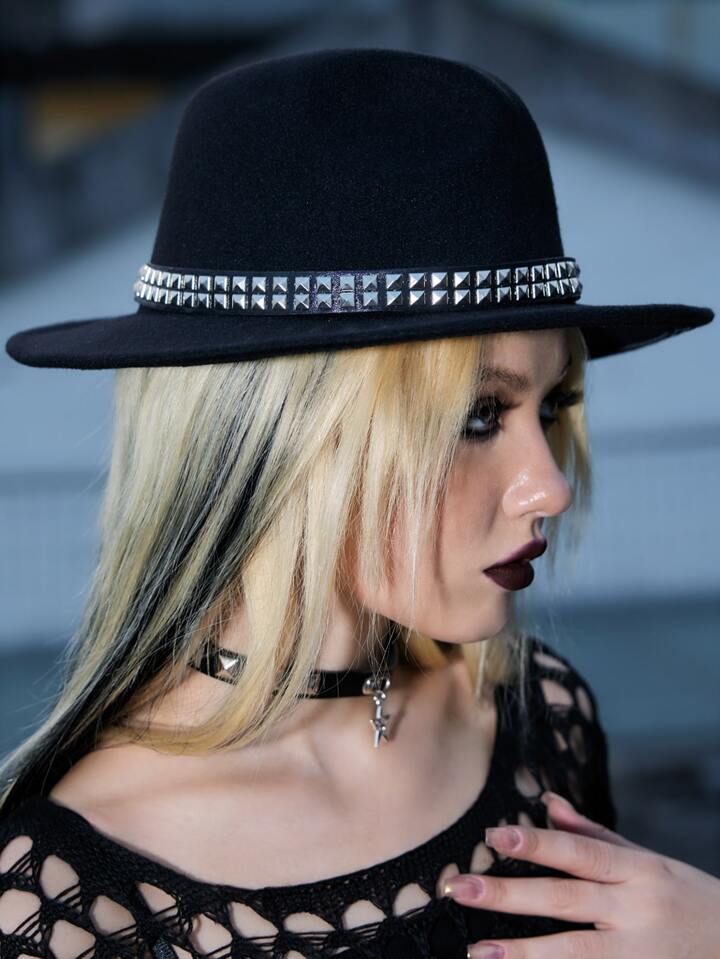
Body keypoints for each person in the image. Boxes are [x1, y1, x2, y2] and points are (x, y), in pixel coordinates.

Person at [0, 47, 717, 959]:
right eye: (477, 415)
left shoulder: (541, 716)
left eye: (552, 405)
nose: (550, 485)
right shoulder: (65, 901)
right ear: (280, 435)